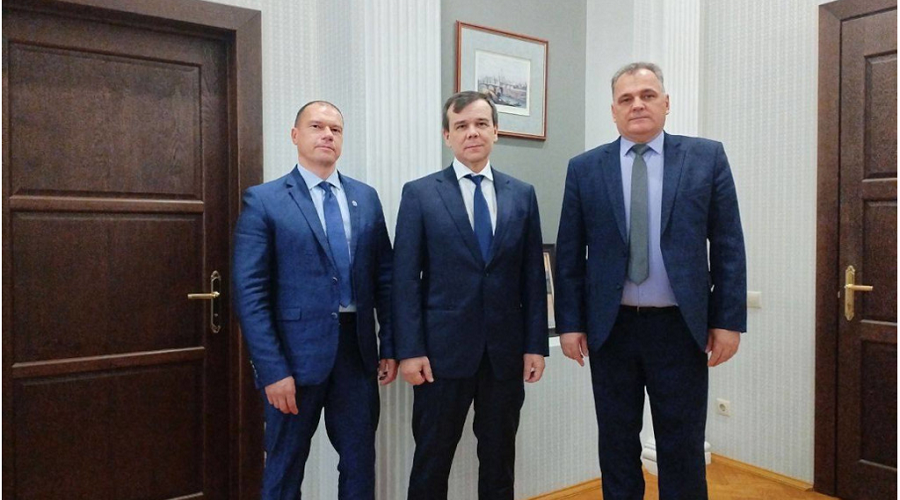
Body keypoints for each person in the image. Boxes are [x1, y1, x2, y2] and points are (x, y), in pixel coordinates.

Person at [555, 62, 746, 499]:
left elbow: (729, 244)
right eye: (626, 98)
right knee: (616, 443)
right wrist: (570, 324)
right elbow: (569, 255)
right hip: (611, 330)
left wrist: (728, 321)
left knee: (682, 446)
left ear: (666, 102)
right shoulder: (585, 168)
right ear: (613, 111)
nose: (637, 104)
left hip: (680, 328)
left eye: (647, 95)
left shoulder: (706, 158)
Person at [232, 100, 397, 500]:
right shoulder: (265, 200)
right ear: (295, 135)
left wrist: (391, 345)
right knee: (285, 467)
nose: (327, 135)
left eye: (335, 129)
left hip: (356, 354)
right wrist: (272, 370)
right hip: (293, 359)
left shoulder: (366, 198)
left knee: (359, 464)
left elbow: (386, 279)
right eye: (316, 127)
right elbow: (250, 292)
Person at [393, 91, 549, 500]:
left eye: (481, 124)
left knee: (499, 465)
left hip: (504, 356)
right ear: (447, 136)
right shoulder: (420, 194)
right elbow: (405, 280)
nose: (472, 133)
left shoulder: (522, 195)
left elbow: (533, 279)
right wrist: (409, 350)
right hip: (439, 357)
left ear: (496, 130)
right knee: (431, 463)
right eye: (461, 126)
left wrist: (535, 345)